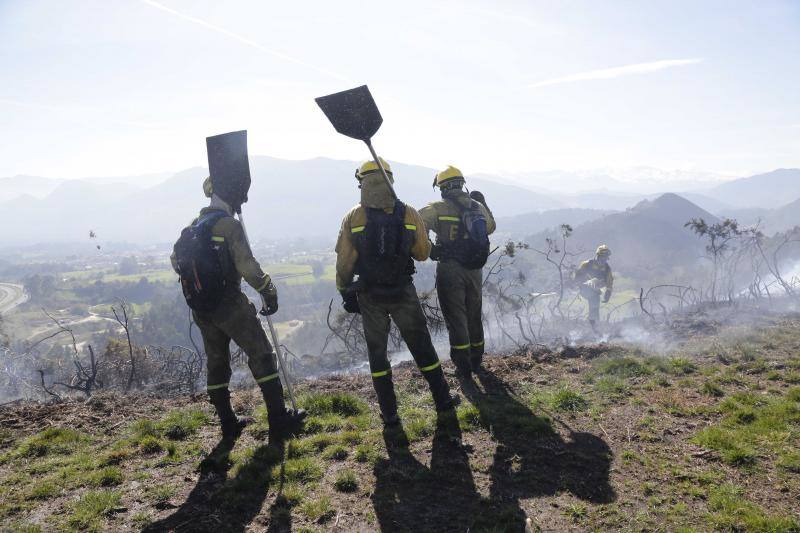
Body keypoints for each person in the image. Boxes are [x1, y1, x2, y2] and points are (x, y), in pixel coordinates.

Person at [172, 176, 305, 440]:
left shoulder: (191, 228)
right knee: (262, 354)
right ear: (227, 194)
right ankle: (279, 422)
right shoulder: (229, 226)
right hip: (229, 304)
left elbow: (176, 263)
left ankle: (228, 424)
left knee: (217, 362)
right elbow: (248, 268)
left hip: (201, 308)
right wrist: (268, 290)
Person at [335, 158, 458, 426]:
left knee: (378, 354)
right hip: (403, 292)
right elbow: (423, 253)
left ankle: (390, 415)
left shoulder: (354, 217)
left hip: (369, 296)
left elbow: (344, 261)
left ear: (361, 183)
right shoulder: (409, 213)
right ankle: (443, 401)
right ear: (390, 180)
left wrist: (345, 289)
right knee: (421, 346)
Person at [420, 166, 496, 375]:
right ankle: (477, 358)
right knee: (473, 314)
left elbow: (417, 227)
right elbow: (490, 227)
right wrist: (484, 204)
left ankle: (462, 365)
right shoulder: (476, 206)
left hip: (449, 269)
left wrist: (430, 249)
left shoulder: (436, 207)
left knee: (456, 317)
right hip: (474, 269)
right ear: (462, 183)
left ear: (442, 187)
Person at [573, 244, 614, 331]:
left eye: (606, 258)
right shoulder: (586, 264)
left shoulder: (607, 268)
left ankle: (594, 325)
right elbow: (577, 277)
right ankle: (594, 327)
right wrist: (583, 284)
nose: (604, 260)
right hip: (583, 288)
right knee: (594, 298)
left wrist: (608, 292)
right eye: (603, 257)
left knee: (595, 301)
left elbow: (609, 281)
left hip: (595, 290)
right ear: (598, 256)